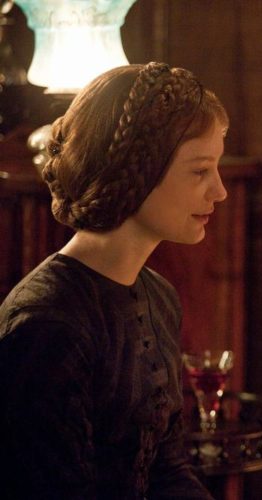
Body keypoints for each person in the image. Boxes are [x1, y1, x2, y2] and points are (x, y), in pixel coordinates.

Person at [0, 62, 228, 498]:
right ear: (137, 170)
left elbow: (167, 470)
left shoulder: (159, 297)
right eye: (200, 171)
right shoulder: (47, 325)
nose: (220, 191)